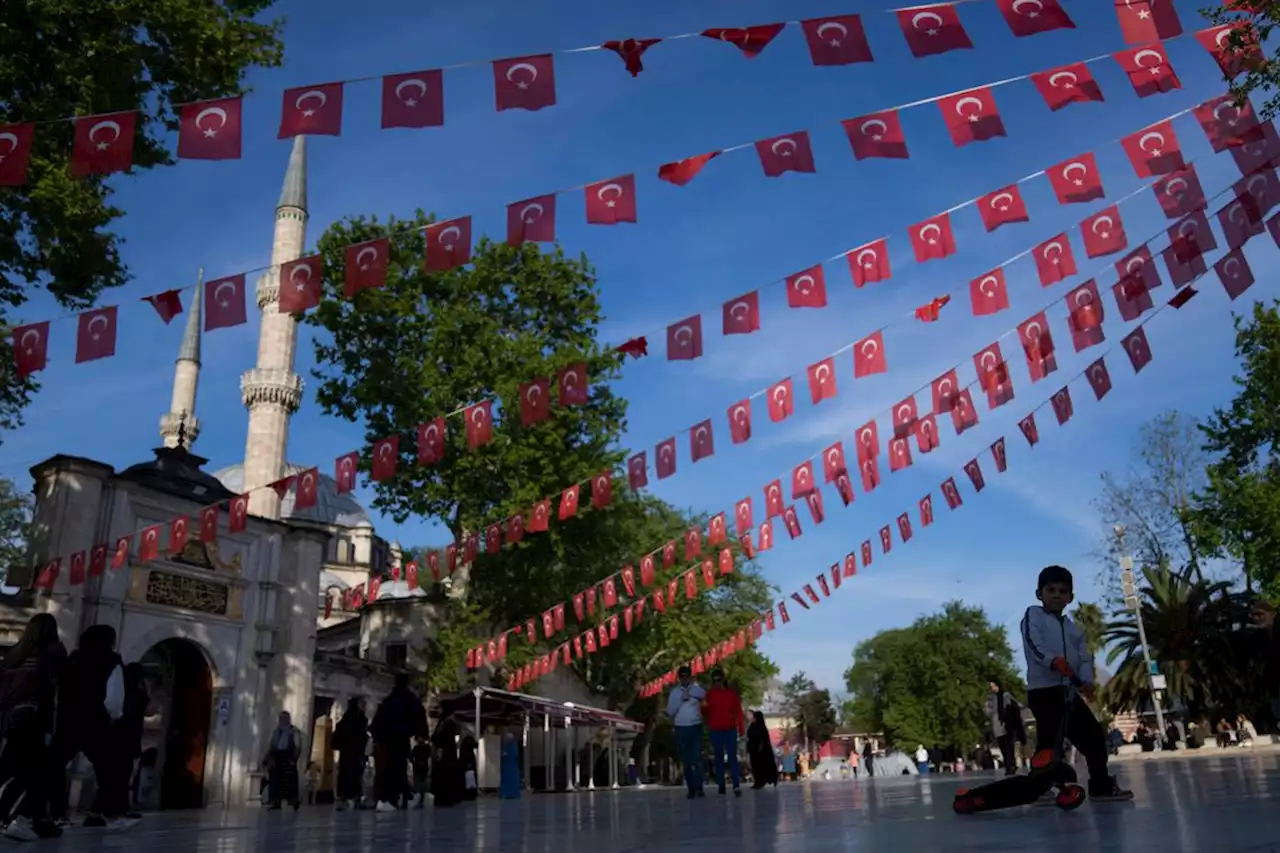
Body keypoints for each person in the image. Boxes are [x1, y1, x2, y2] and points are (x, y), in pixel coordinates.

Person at [1021, 565, 1132, 801]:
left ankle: (1100, 784)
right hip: (1044, 691)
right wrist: (1053, 662)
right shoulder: (1033, 615)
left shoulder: (1074, 630)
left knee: (1093, 735)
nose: (1057, 595)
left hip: (1068, 692)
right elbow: (1033, 644)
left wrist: (1087, 682)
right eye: (1051, 590)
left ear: (1070, 597)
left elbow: (1084, 658)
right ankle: (1041, 788)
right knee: (1050, 741)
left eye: (1063, 591)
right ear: (1039, 593)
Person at [53, 625, 132, 830]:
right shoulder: (112, 661)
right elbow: (114, 698)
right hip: (97, 723)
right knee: (110, 771)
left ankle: (56, 813)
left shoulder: (74, 659)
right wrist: (115, 718)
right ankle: (98, 812)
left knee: (56, 765)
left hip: (68, 721)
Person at [0, 613, 67, 841]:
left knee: (17, 769)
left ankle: (39, 822)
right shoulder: (53, 653)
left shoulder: (15, 654)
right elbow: (54, 690)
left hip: (12, 721)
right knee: (34, 773)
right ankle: (21, 820)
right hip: (37, 722)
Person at [369, 673, 428, 811]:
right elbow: (419, 716)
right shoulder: (410, 699)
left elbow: (377, 722)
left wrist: (377, 736)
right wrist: (420, 734)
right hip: (400, 739)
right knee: (399, 767)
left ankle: (389, 798)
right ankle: (398, 797)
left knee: (388, 769)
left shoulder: (388, 701)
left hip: (386, 741)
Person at [664, 665, 706, 799]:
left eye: (686, 676)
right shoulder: (674, 693)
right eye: (681, 677)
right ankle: (691, 788)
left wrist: (696, 698)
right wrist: (681, 699)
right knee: (686, 760)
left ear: (691, 676)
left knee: (697, 758)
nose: (684, 679)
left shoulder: (698, 691)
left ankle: (699, 786)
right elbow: (670, 712)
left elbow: (707, 704)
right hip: (681, 727)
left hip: (695, 726)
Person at [703, 668, 745, 797]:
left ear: (723, 680)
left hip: (729, 729)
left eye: (719, 680)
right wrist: (703, 708)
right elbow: (705, 713)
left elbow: (738, 712)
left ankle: (736, 784)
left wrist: (741, 728)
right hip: (716, 729)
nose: (717, 683)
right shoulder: (709, 695)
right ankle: (721, 785)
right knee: (718, 758)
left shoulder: (731, 694)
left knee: (732, 757)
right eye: (715, 681)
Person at [117, 663, 149, 819]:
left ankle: (120, 805)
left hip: (120, 735)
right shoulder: (137, 694)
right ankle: (122, 806)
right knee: (126, 772)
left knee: (120, 772)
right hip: (130, 737)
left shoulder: (122, 691)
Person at [331, 698, 368, 810]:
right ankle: (355, 798)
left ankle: (344, 798)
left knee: (345, 775)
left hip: (346, 754)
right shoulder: (360, 720)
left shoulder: (344, 721)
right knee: (355, 776)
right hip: (355, 754)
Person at [262, 710, 303, 810]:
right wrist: (267, 759)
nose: (282, 720)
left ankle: (294, 801)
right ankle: (276, 802)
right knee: (275, 781)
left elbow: (298, 746)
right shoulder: (276, 731)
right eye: (281, 718)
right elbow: (272, 746)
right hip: (277, 758)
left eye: (284, 718)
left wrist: (294, 759)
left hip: (288, 758)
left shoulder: (294, 731)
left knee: (289, 783)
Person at [430, 707, 465, 807]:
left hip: (444, 754)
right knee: (448, 777)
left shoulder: (445, 723)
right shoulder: (449, 722)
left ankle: (444, 798)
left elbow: (437, 738)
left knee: (444, 777)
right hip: (448, 754)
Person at [985, 681, 1018, 776]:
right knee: (1003, 746)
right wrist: (986, 708)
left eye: (994, 686)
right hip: (997, 725)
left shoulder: (1006, 695)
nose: (992, 688)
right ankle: (1008, 766)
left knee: (1009, 746)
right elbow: (988, 712)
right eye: (991, 687)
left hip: (1007, 724)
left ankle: (1011, 765)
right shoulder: (991, 699)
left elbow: (1014, 706)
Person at [745, 711, 777, 789]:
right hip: (754, 750)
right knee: (755, 767)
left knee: (760, 766)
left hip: (760, 751)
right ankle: (758, 781)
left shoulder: (761, 727)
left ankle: (763, 781)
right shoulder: (752, 726)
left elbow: (761, 739)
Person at [410, 735, 432, 808]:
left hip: (419, 767)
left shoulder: (418, 748)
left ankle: (419, 799)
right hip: (420, 766)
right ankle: (420, 799)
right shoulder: (425, 748)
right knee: (420, 783)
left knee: (420, 783)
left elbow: (411, 757)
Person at [499, 732, 520, 799]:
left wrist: (506, 755)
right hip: (507, 766)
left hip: (510, 766)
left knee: (511, 780)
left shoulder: (512, 745)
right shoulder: (508, 745)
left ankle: (511, 793)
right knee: (508, 780)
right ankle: (508, 793)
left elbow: (513, 755)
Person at [459, 732, 478, 800]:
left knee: (466, 779)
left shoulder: (463, 743)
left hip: (464, 764)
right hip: (469, 763)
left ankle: (466, 794)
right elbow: (476, 745)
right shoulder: (469, 741)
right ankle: (471, 794)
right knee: (471, 779)